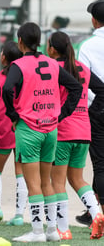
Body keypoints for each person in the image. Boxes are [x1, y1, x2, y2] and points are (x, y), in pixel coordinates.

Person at [2, 22, 82, 243]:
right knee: (46, 182)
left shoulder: (18, 65)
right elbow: (75, 87)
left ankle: (37, 232)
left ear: (20, 41)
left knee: (33, 183)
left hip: (29, 129)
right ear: (39, 41)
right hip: (51, 129)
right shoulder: (52, 63)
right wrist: (61, 114)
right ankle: (52, 231)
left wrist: (13, 114)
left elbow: (7, 89)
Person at [48, 31, 104, 240]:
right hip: (84, 131)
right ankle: (97, 214)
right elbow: (102, 90)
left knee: (58, 182)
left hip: (63, 132)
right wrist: (91, 111)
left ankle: (63, 229)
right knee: (77, 178)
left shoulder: (53, 68)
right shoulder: (82, 68)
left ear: (53, 49)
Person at [0, 41, 28, 227]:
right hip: (22, 128)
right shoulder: (25, 78)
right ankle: (19, 215)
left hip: (2, 127)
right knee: (22, 173)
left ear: (3, 58)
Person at [77, 0, 104, 224]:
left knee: (100, 162)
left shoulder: (86, 46)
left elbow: (83, 81)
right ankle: (94, 209)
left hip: (98, 108)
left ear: (95, 21)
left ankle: (99, 211)